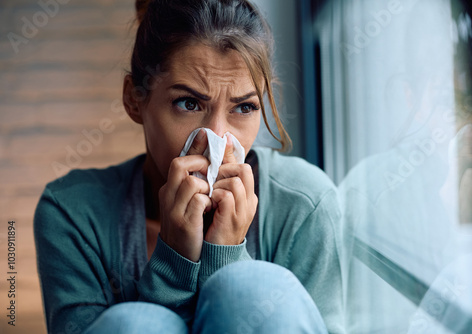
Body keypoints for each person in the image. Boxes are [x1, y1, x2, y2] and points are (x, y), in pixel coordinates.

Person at [34, 0, 344, 333]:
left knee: (252, 291)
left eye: (244, 108)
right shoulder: (73, 213)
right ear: (134, 100)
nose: (218, 140)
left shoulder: (305, 204)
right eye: (189, 103)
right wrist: (175, 261)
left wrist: (226, 256)